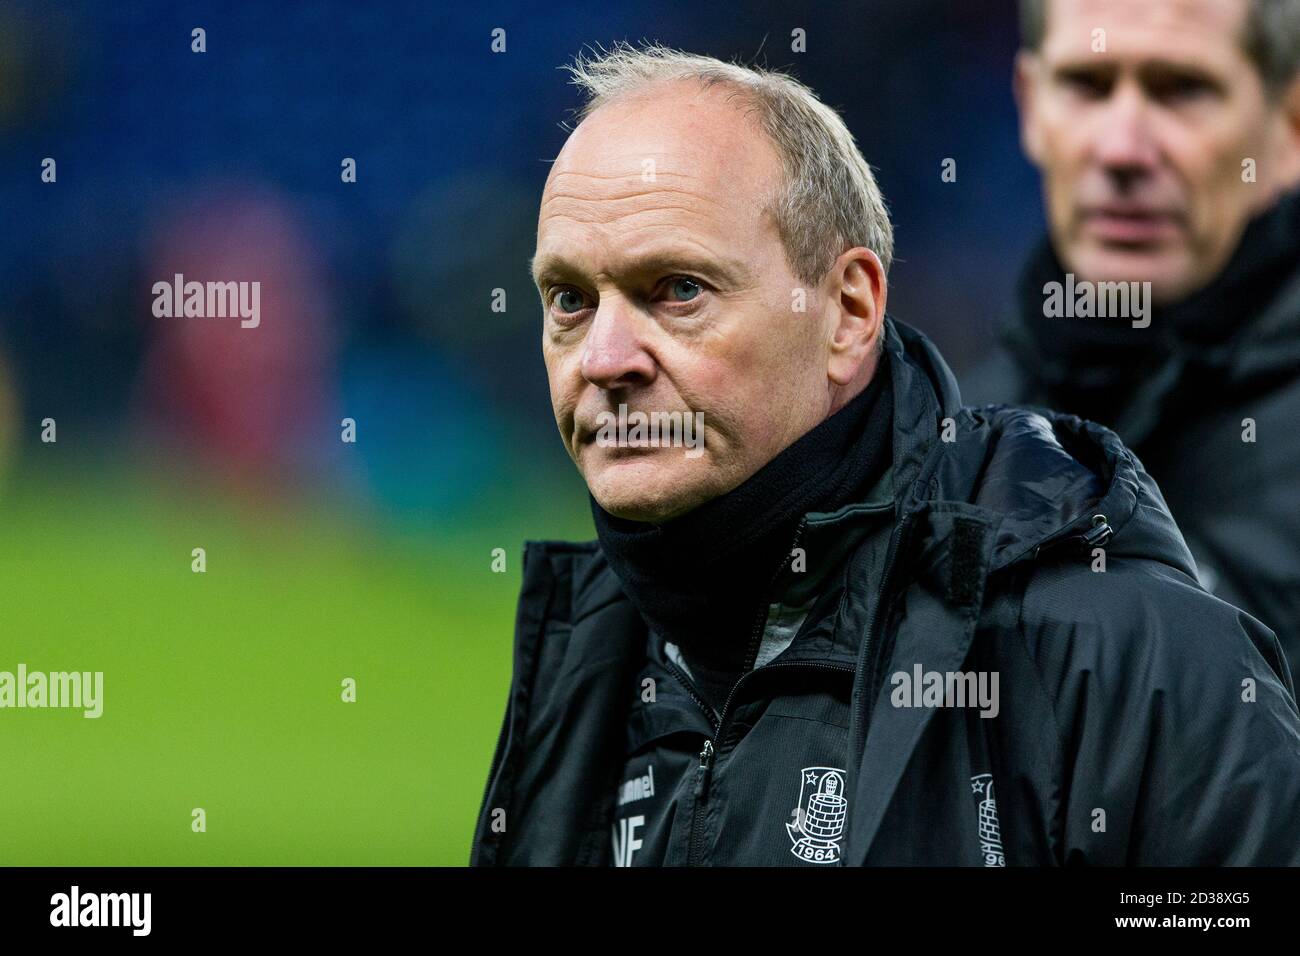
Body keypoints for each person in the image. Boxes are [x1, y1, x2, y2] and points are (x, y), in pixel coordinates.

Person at [471, 43, 1300, 866]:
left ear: (849, 310)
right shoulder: (586, 660)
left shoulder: (1125, 660)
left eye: (678, 290)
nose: (606, 358)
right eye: (571, 300)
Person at [967, 0, 1300, 678]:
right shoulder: (955, 431)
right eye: (1086, 86)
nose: (1122, 149)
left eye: (1183, 89)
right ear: (1030, 106)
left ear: (1291, 124)